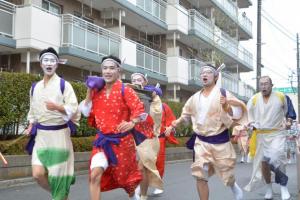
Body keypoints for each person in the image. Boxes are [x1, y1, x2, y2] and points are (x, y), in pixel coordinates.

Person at [169, 64, 246, 200]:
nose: (204, 74)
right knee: (200, 174)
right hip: (201, 142)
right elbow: (186, 113)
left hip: (219, 141)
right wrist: (176, 123)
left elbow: (238, 112)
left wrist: (227, 106)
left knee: (226, 174)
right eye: (202, 73)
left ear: (216, 76)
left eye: (208, 72)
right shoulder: (194, 97)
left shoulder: (223, 93)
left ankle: (233, 186)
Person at [80, 55, 145, 200]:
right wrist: (89, 91)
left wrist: (132, 122)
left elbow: (140, 110)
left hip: (123, 144)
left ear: (118, 71)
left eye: (111, 68)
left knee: (127, 182)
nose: (108, 71)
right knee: (94, 175)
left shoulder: (125, 90)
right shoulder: (96, 91)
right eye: (104, 68)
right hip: (102, 142)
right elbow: (85, 112)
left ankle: (134, 195)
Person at [25, 47, 80, 200]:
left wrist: (58, 107)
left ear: (57, 64)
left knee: (57, 176)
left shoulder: (64, 85)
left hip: (59, 136)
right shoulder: (34, 87)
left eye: (52, 61)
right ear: (41, 64)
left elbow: (74, 109)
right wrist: (31, 124)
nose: (49, 64)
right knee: (37, 174)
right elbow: (33, 110)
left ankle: (60, 194)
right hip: (41, 136)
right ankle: (60, 194)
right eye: (46, 60)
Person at [245, 76, 291, 200]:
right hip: (261, 135)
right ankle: (269, 188)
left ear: (271, 85)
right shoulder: (254, 99)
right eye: (261, 84)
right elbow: (249, 116)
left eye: (266, 84)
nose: (264, 86)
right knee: (264, 164)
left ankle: (283, 186)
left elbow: (289, 113)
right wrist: (251, 124)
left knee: (276, 157)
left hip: (277, 133)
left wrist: (289, 122)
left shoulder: (281, 97)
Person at [130, 72, 163, 200]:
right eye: (134, 79)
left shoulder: (152, 96)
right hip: (130, 132)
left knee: (143, 165)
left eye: (139, 79)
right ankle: (136, 189)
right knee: (133, 166)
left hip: (146, 134)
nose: (136, 81)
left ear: (145, 82)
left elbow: (156, 115)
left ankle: (143, 195)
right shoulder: (128, 93)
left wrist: (154, 97)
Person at [152, 102, 179, 195]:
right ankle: (139, 185)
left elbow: (172, 121)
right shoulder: (142, 103)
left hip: (159, 138)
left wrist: (170, 127)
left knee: (159, 162)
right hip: (144, 138)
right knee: (142, 162)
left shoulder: (164, 106)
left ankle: (158, 185)